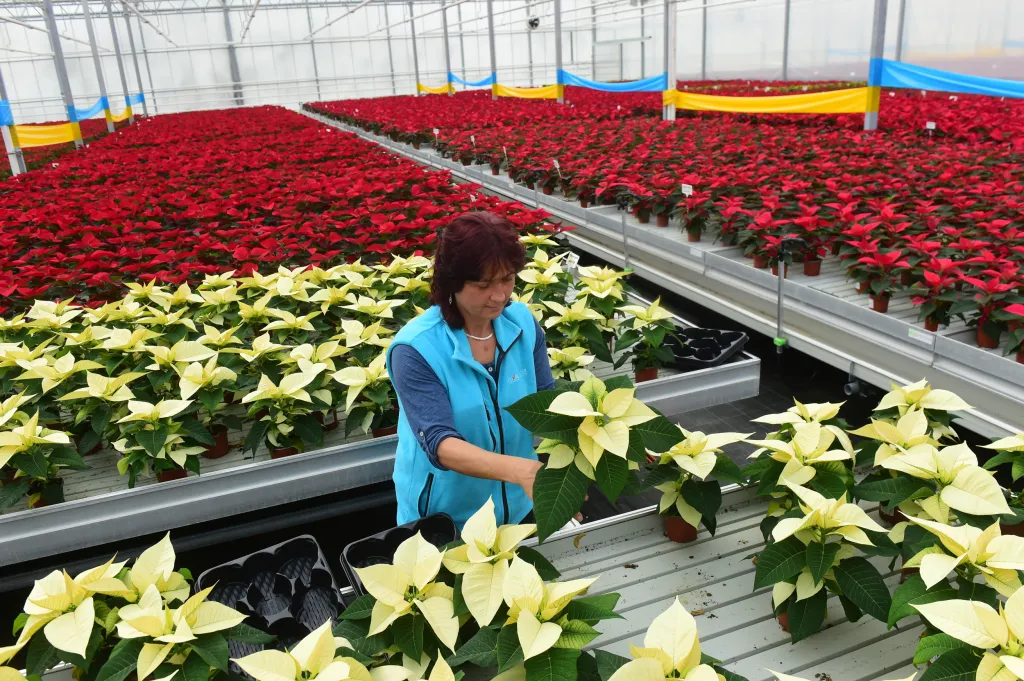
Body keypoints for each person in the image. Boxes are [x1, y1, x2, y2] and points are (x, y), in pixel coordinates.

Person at [387, 211, 556, 530]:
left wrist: (611, 438)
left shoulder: (522, 325)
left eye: (507, 279)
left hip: (519, 506)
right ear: (453, 282)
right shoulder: (416, 348)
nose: (500, 295)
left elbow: (548, 405)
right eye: (483, 284)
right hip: (446, 521)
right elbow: (440, 444)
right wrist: (520, 471)